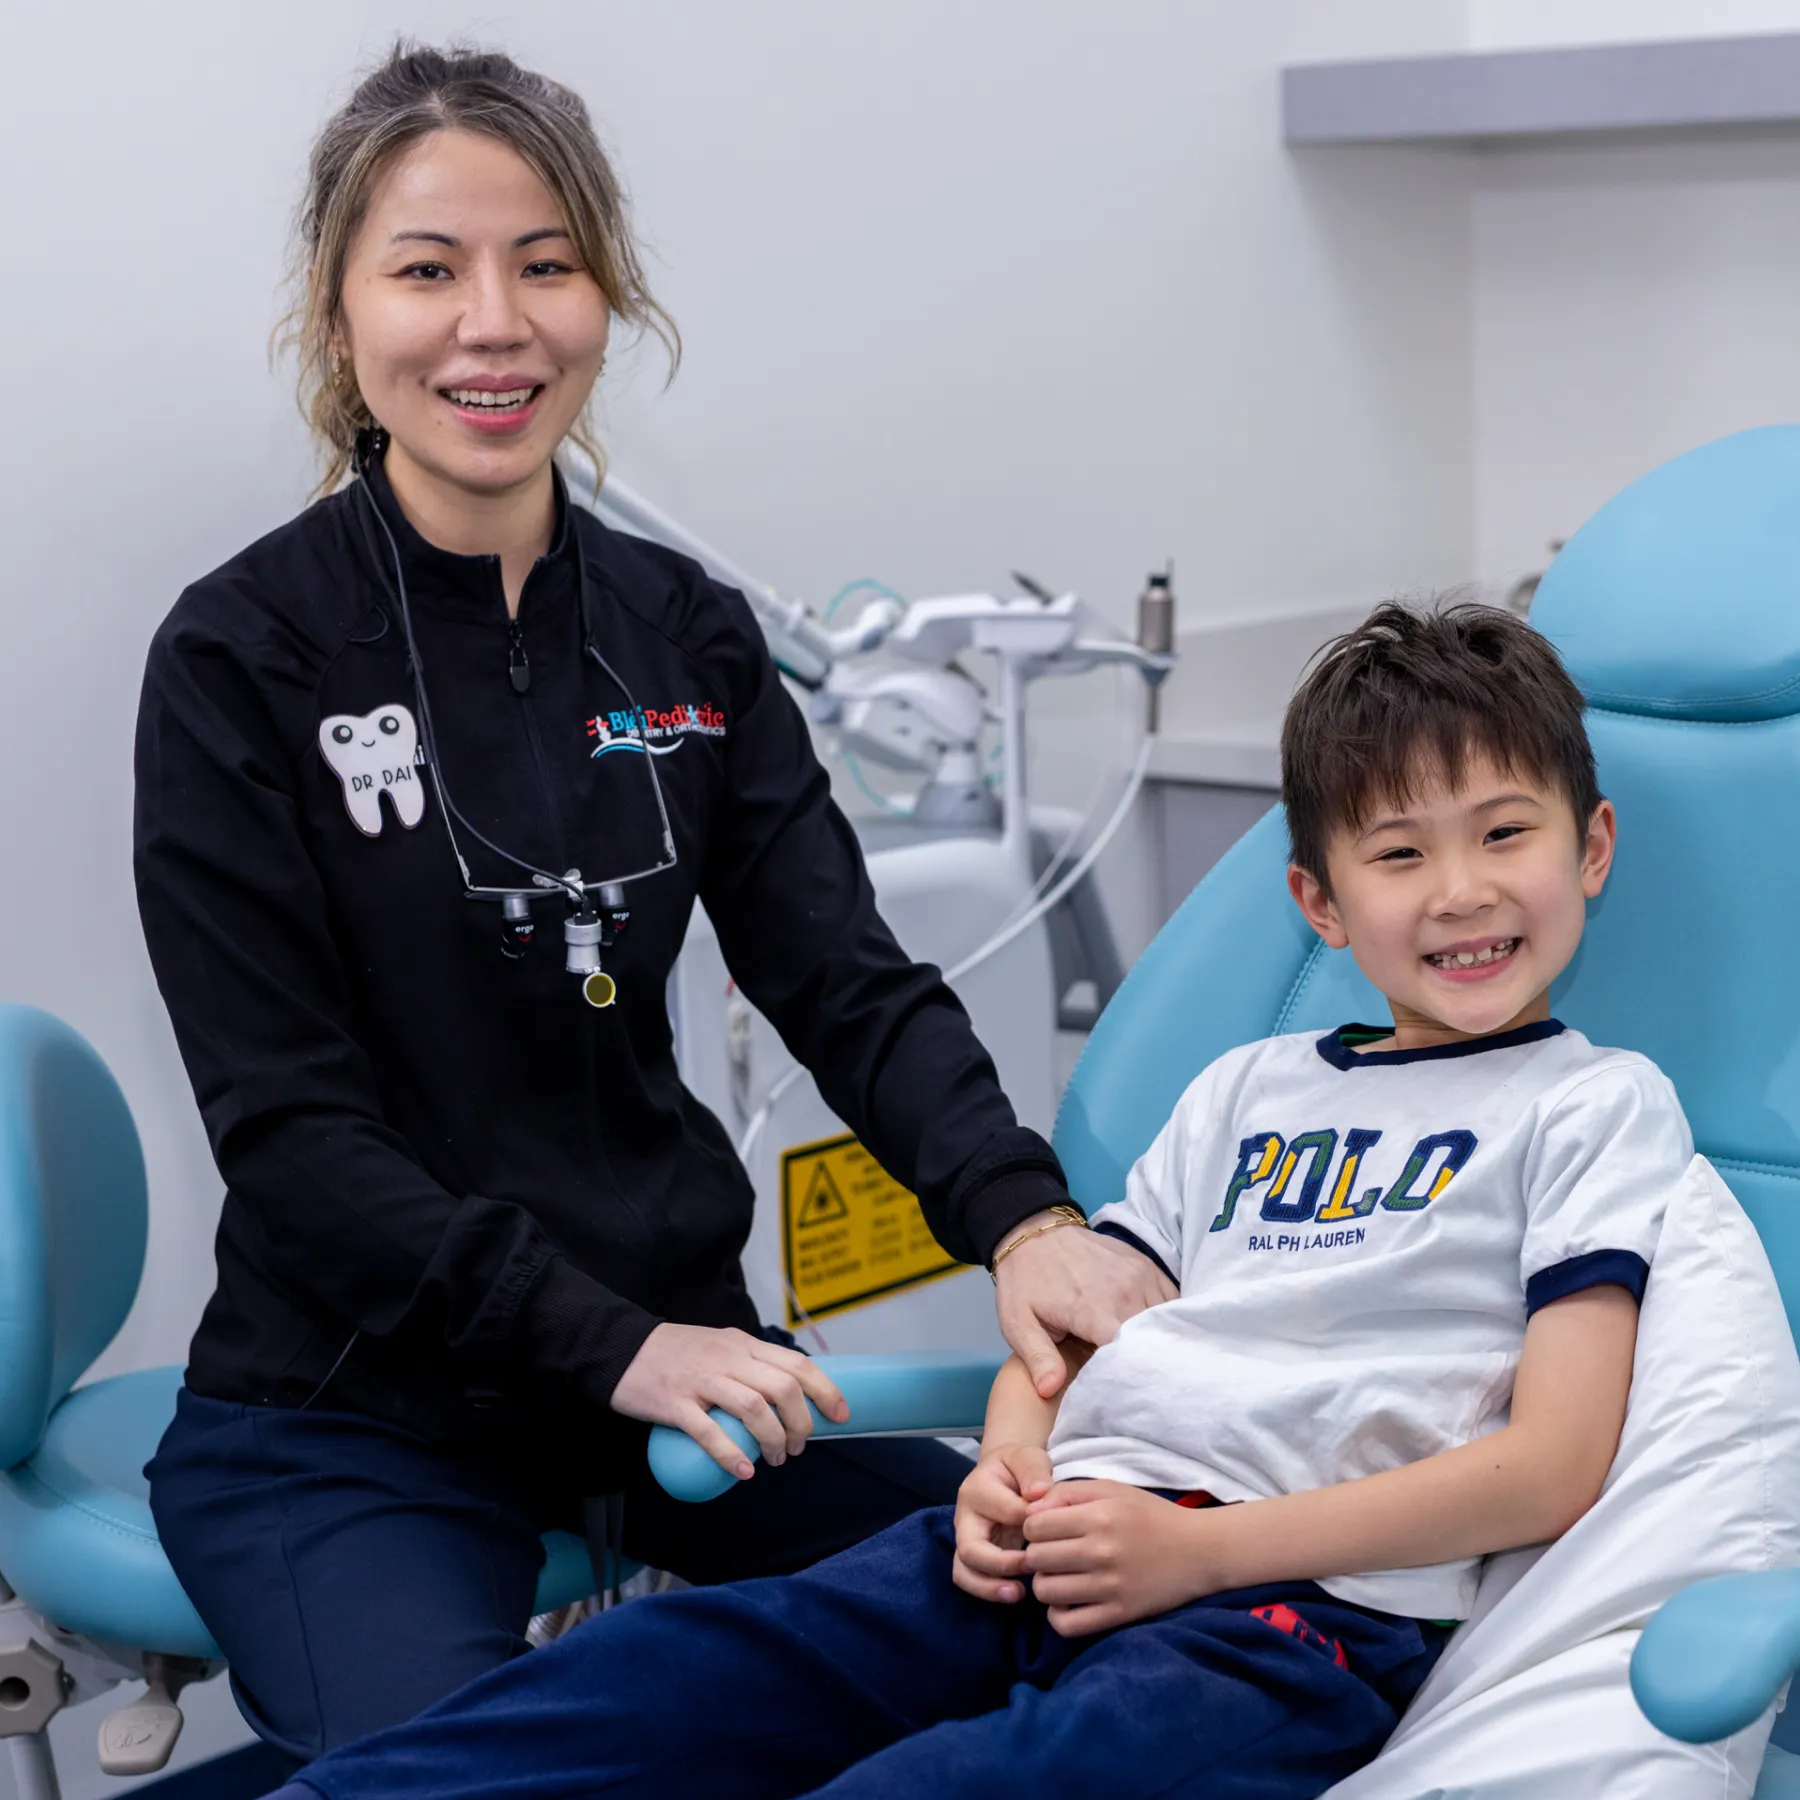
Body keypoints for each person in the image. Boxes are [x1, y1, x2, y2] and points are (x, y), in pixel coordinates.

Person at [132, 41, 1169, 1770]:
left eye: (546, 262)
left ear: (607, 298)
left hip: (688, 1383)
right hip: (353, 1417)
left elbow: (845, 981)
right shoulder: (242, 659)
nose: (494, 321)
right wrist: (607, 1344)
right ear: (337, 314)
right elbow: (293, 1137)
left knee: (1083, 1629)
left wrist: (1027, 1219)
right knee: (481, 1769)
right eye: (427, 268)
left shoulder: (688, 639)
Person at [259, 600, 1697, 1800]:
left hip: (1279, 1620)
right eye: (1399, 853)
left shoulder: (1587, 1106)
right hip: (1054, 1546)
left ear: (1592, 849)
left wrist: (1196, 1551)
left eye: (1504, 836)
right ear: (1320, 905)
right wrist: (1007, 1478)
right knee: (660, 1680)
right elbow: (1064, 1347)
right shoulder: (1246, 1094)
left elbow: (1550, 1464)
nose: (1459, 893)